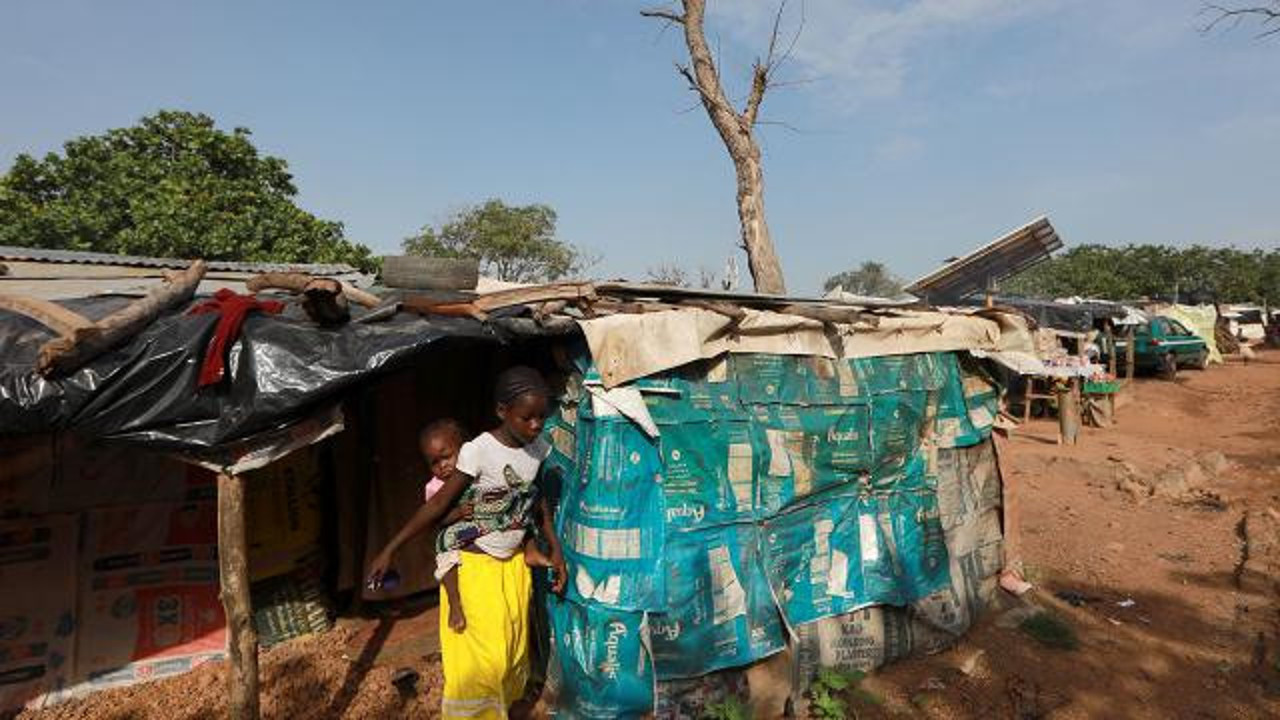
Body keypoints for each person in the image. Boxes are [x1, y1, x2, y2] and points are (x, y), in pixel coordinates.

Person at [377, 366, 567, 719]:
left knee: (510, 651)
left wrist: (553, 547)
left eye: (542, 416)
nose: (536, 425)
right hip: (475, 569)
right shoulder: (478, 450)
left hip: (513, 567)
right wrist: (391, 549)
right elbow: (438, 504)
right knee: (480, 662)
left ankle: (502, 710)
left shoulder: (538, 448)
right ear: (502, 411)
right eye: (527, 417)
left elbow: (537, 500)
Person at [368, 418, 553, 634]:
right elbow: (437, 518)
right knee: (445, 553)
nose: (442, 466)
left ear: (465, 450)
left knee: (520, 504)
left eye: (446, 456)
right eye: (434, 462)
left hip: (495, 529)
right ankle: (455, 604)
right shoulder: (435, 488)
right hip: (461, 533)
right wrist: (457, 513)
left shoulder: (477, 469)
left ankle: (531, 549)